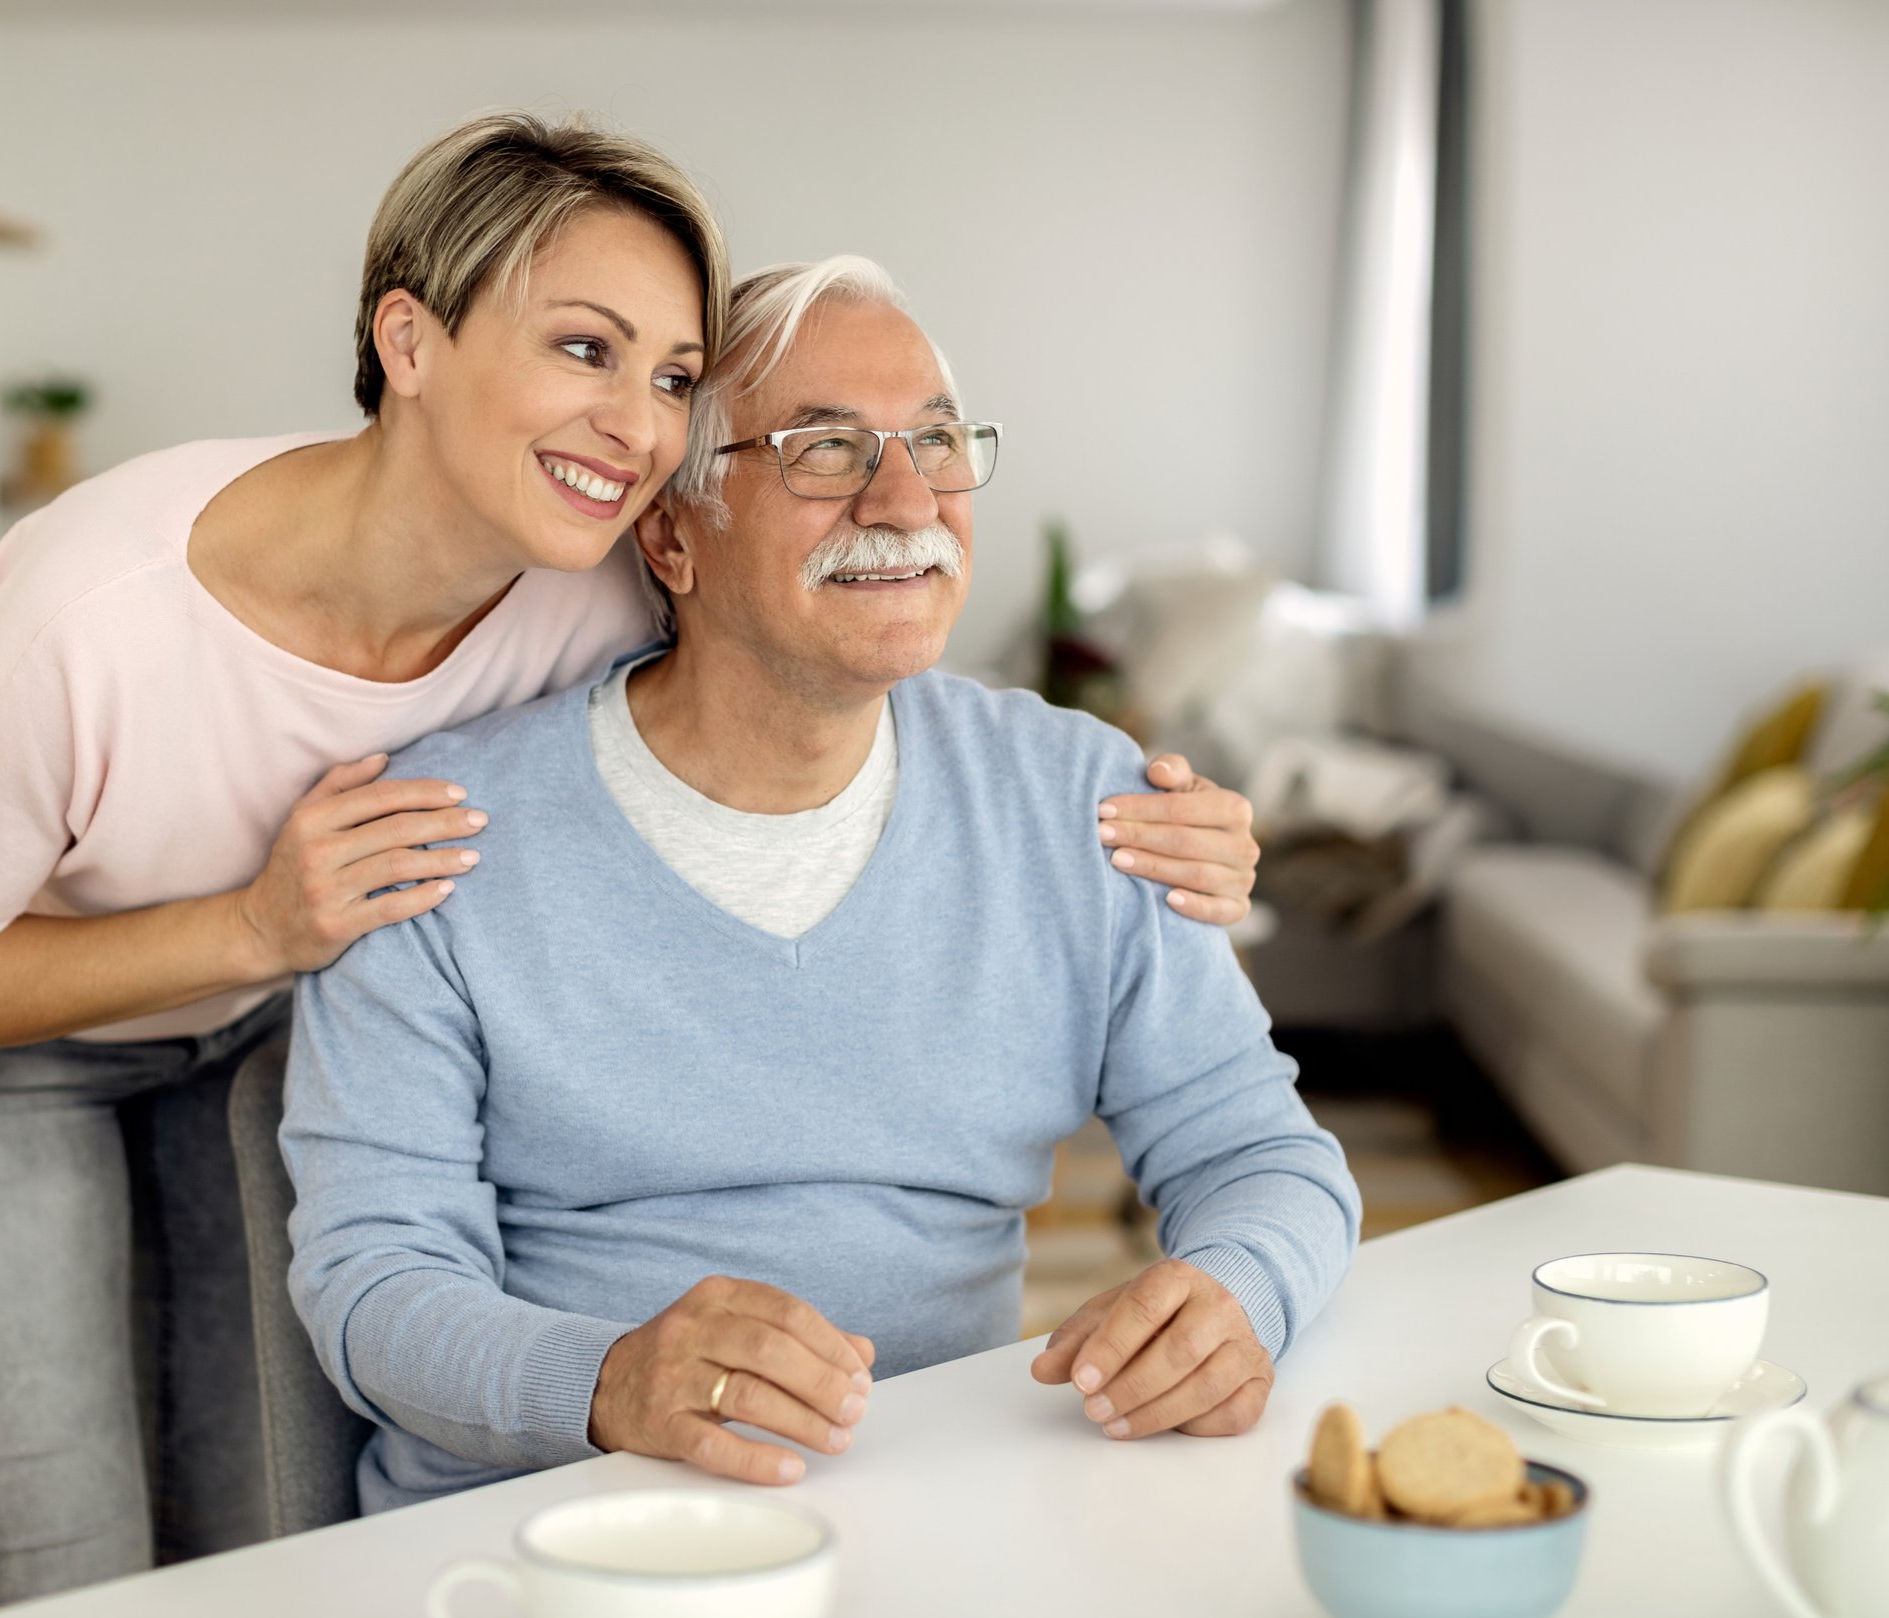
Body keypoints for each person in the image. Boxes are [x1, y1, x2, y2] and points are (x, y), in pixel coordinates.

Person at [0, 119, 1262, 1612]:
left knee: (228, 1546)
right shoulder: (102, 611)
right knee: (57, 1577)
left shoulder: (584, 581)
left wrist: (1178, 841)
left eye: (674, 378)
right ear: (410, 338)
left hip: (280, 1008)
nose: (635, 425)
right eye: (584, 347)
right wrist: (256, 922)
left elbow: (797, 667)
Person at [281, 256, 1360, 1516]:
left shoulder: (1082, 800)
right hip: (540, 1532)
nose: (907, 497)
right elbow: (371, 1281)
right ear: (673, 533)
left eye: (939, 440)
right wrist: (611, 1381)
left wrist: (1241, 1289)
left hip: (930, 1516)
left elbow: (1260, 1152)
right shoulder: (430, 829)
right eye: (825, 448)